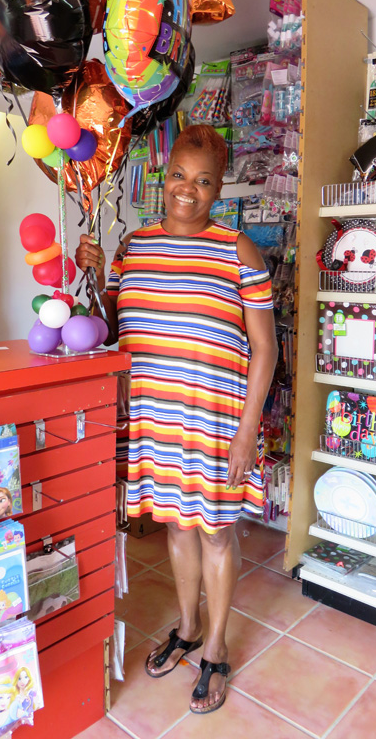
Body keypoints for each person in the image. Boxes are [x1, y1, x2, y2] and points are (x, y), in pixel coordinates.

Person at [75, 125, 277, 715]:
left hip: (215, 420)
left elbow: (265, 349)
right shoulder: (133, 246)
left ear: (219, 189)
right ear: (165, 178)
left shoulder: (238, 250)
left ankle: (216, 647)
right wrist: (95, 277)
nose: (188, 190)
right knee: (176, 525)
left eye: (204, 181)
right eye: (180, 176)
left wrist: (247, 432)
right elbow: (113, 327)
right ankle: (187, 629)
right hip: (156, 415)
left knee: (215, 531)